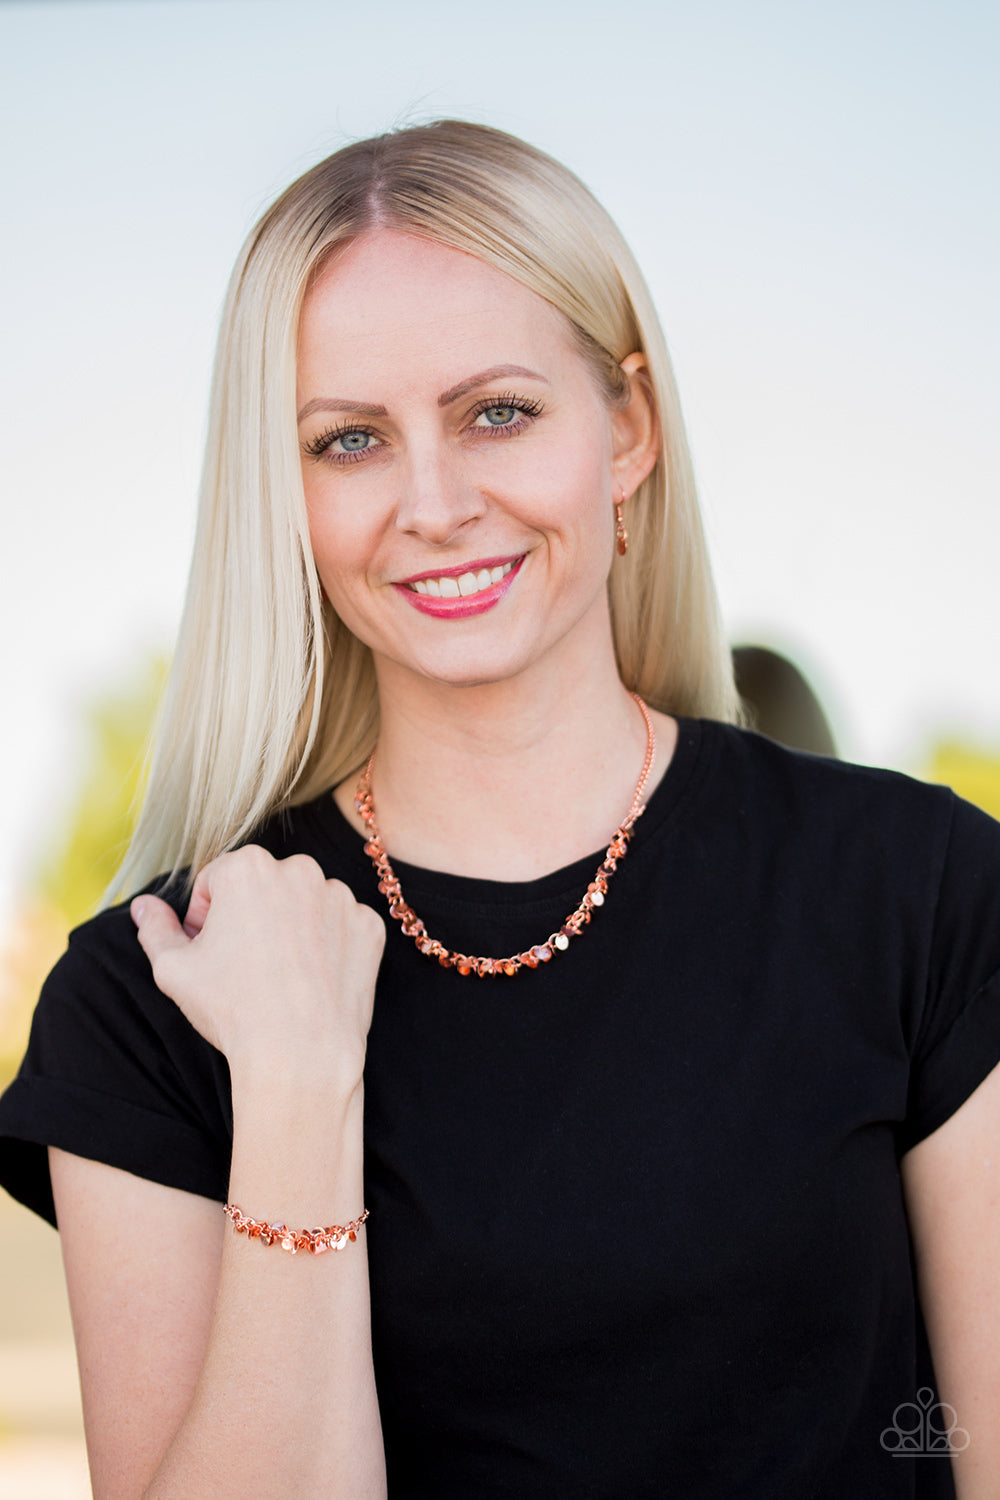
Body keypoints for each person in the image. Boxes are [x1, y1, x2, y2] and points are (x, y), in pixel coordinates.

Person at [0, 120, 998, 1500]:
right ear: (280, 494)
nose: (432, 502)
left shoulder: (924, 892)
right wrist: (293, 1091)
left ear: (629, 430)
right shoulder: (151, 994)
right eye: (348, 440)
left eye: (499, 414)